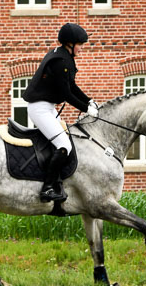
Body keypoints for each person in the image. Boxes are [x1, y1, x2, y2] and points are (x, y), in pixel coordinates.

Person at [23, 22, 99, 202]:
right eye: (80, 45)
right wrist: (85, 109)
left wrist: (89, 100)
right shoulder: (61, 61)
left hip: (47, 107)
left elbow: (71, 86)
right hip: (40, 109)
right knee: (64, 145)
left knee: (65, 141)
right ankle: (48, 188)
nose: (81, 48)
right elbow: (66, 94)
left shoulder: (63, 55)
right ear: (70, 43)